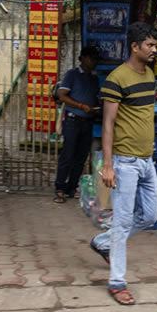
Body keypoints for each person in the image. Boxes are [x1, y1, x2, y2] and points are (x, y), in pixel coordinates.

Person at [89, 22, 157, 305]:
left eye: (155, 45)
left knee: (150, 216)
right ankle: (117, 282)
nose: (154, 50)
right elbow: (108, 124)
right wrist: (108, 166)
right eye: (150, 45)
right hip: (124, 161)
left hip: (146, 161)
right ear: (135, 47)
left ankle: (102, 243)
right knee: (122, 222)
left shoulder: (150, 74)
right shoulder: (116, 79)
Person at [54, 46, 100, 203]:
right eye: (91, 58)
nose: (94, 62)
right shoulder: (72, 74)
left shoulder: (94, 78)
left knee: (80, 158)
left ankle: (71, 187)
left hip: (87, 122)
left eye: (95, 59)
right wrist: (81, 106)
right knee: (67, 155)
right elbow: (62, 96)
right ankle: (60, 188)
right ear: (82, 59)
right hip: (73, 120)